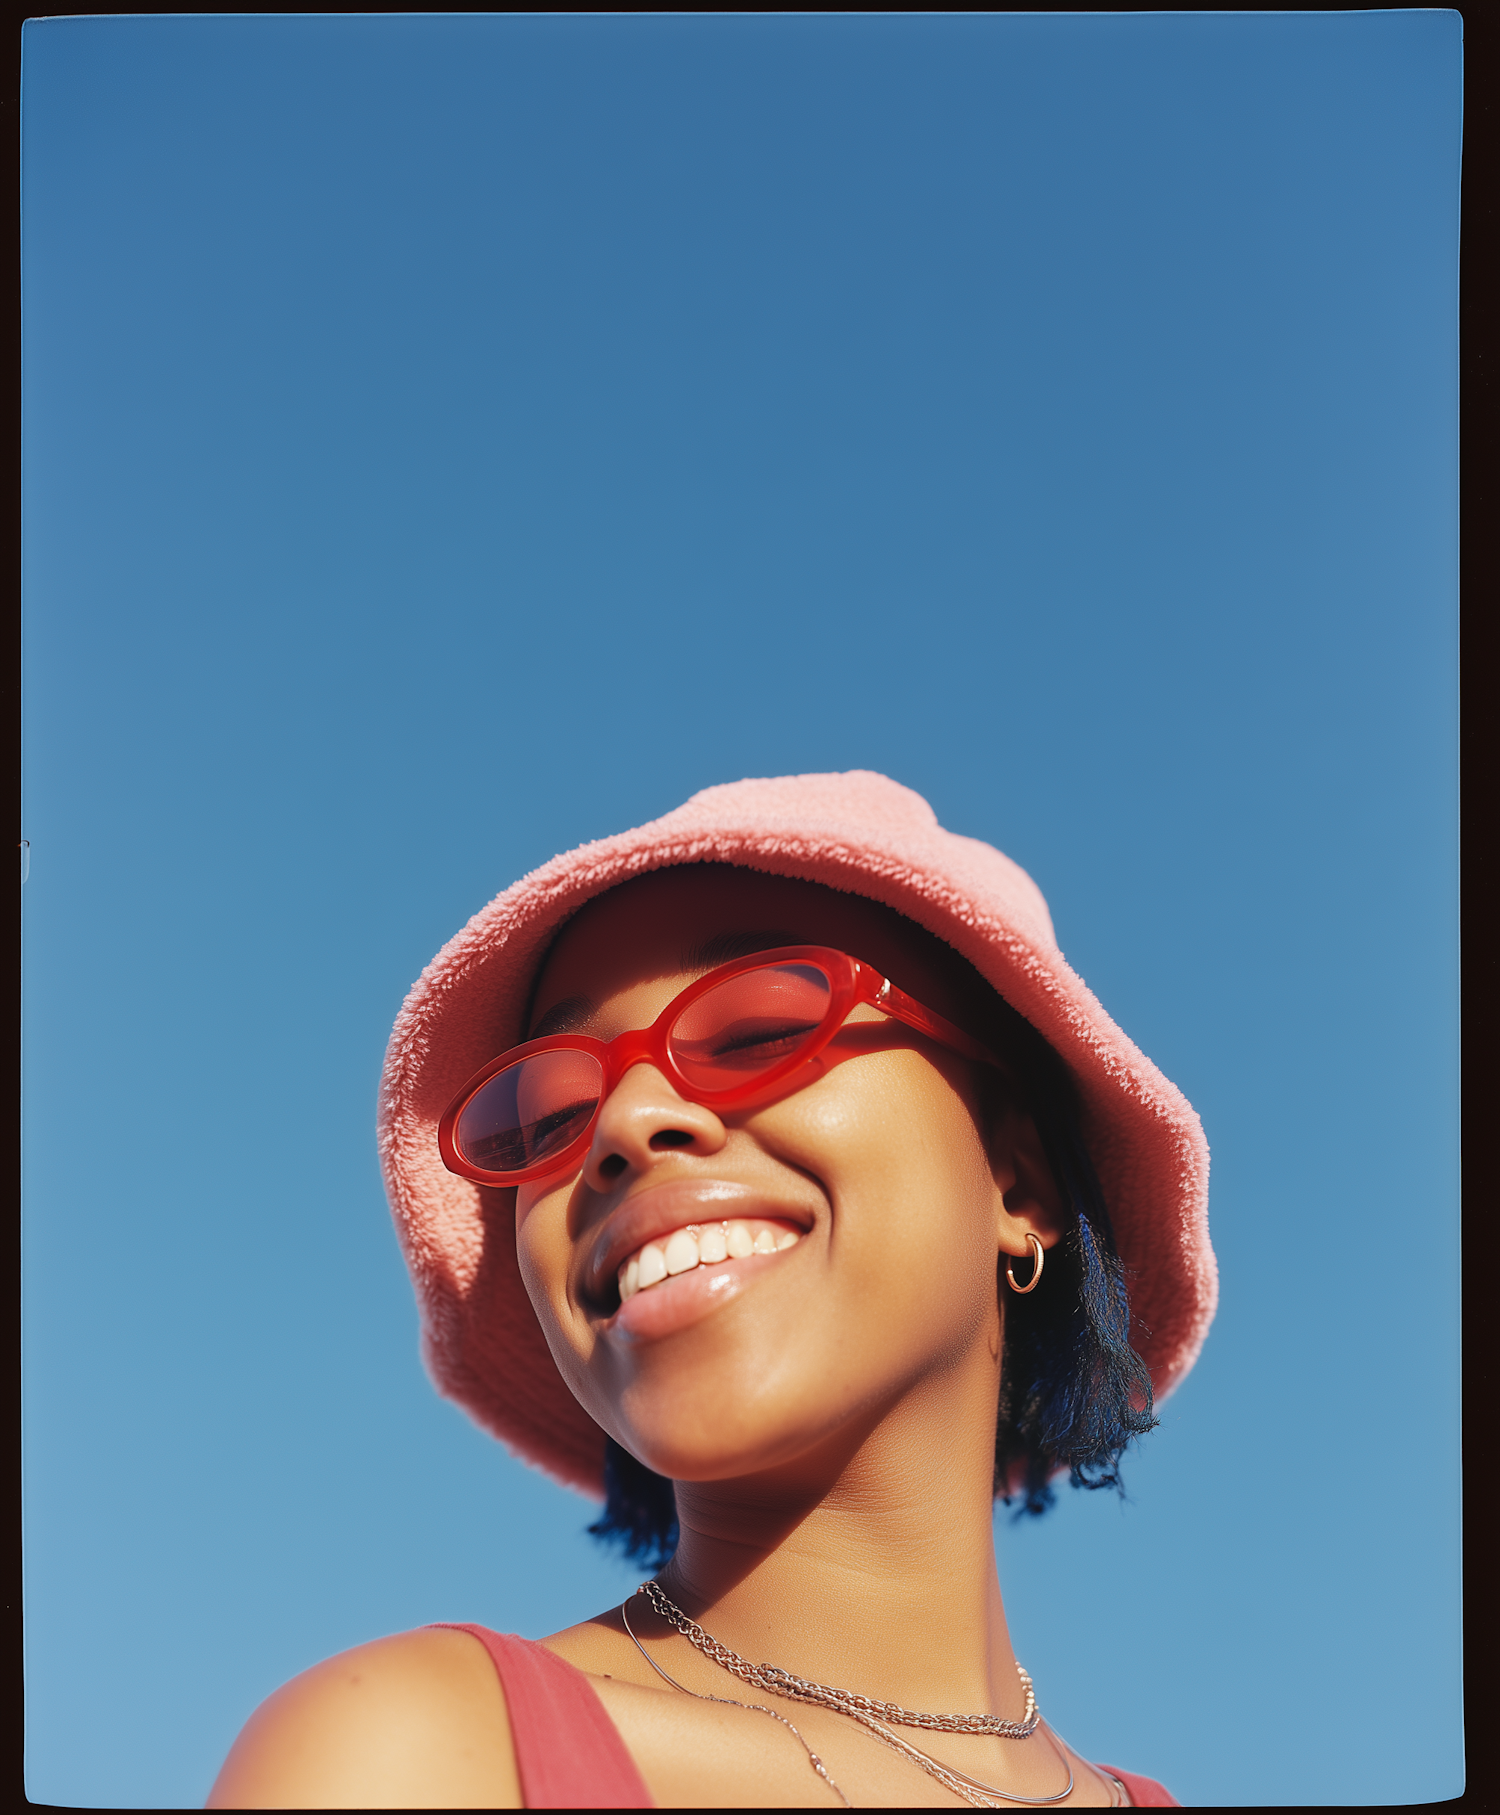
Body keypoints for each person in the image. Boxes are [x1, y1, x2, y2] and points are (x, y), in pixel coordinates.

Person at [209, 771, 1215, 1809]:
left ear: (1022, 1182)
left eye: (761, 1029)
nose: (625, 1122)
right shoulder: (417, 1759)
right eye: (548, 1111)